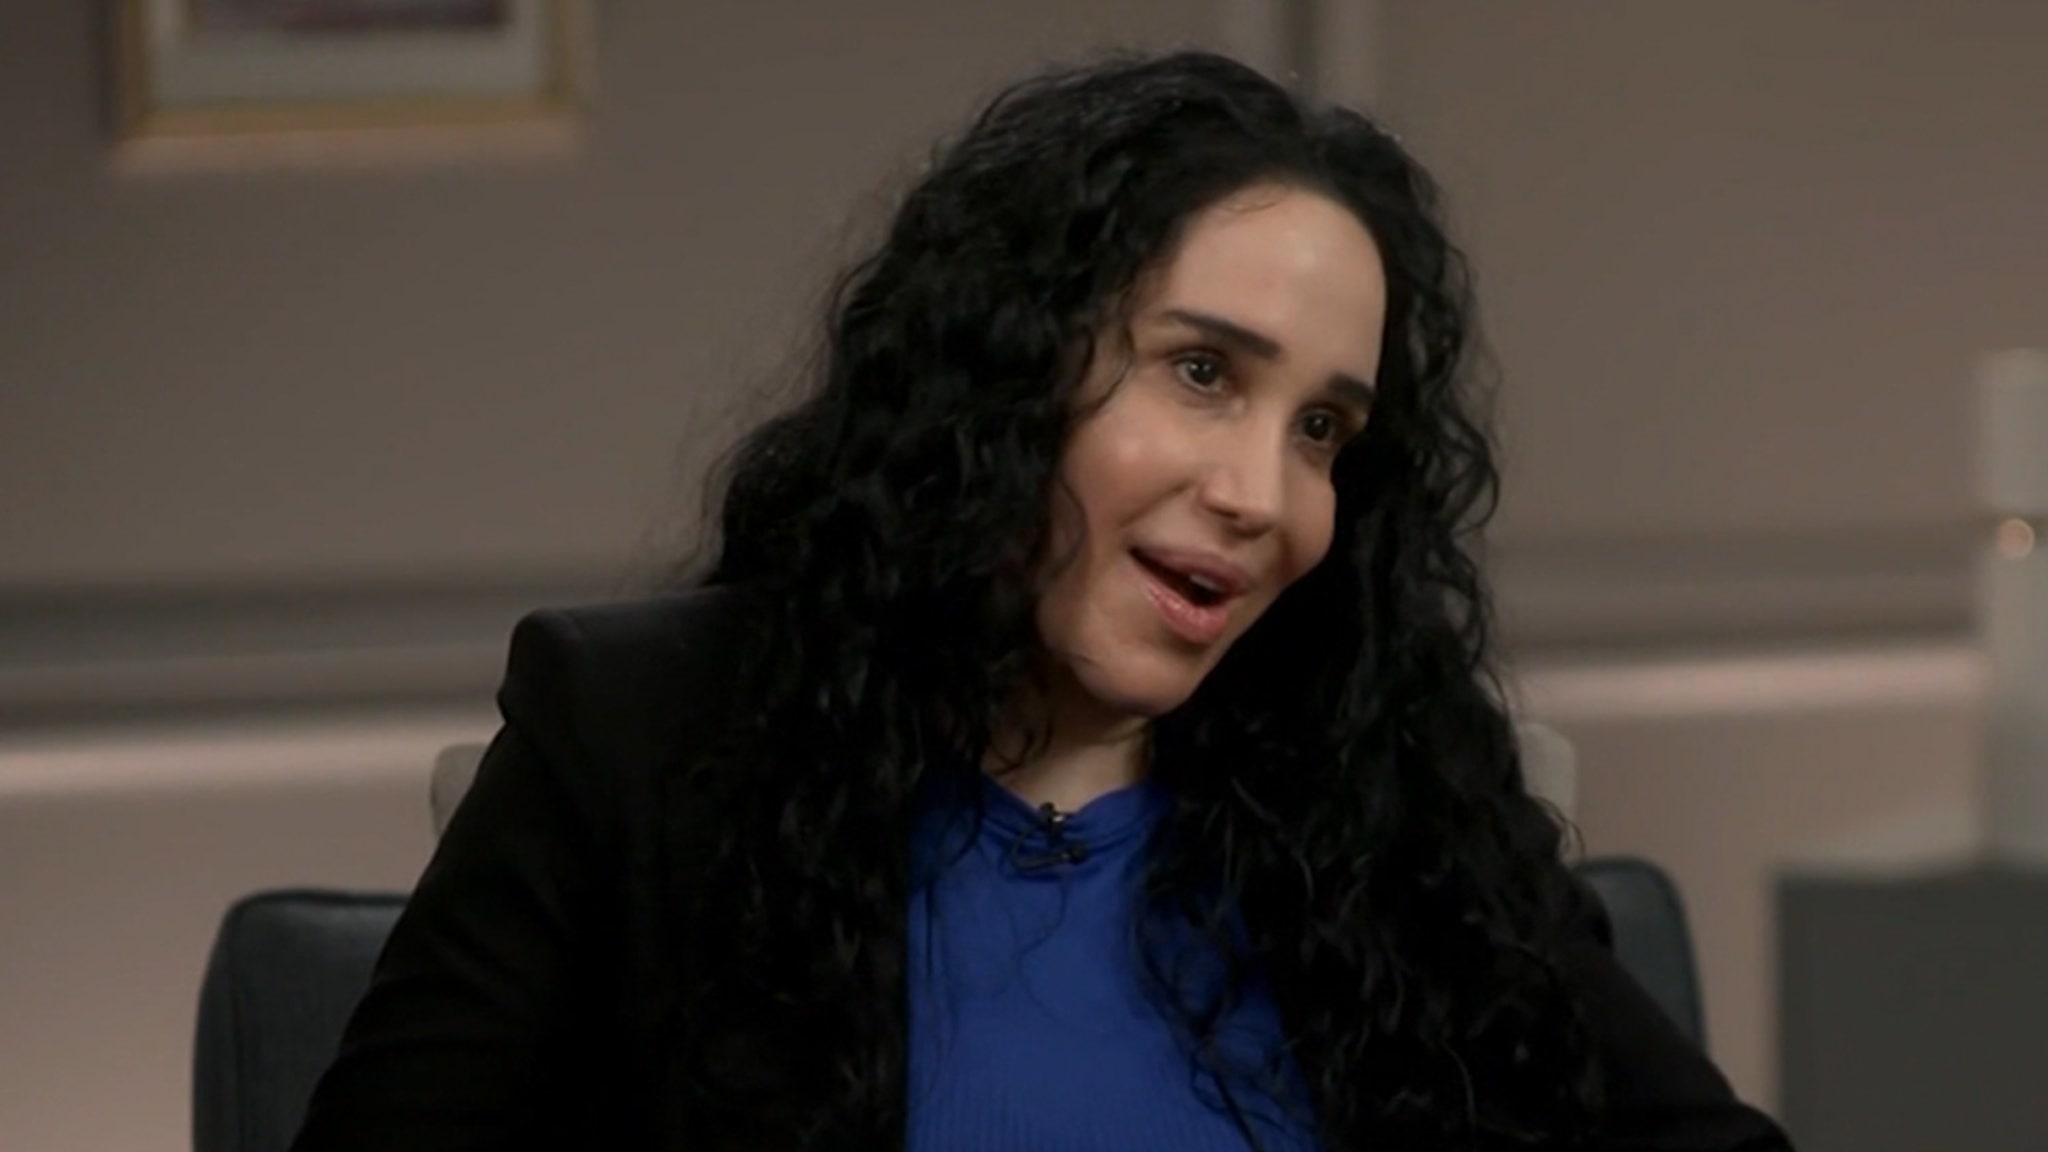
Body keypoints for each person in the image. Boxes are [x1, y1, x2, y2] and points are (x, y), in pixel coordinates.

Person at [291, 50, 1795, 1152]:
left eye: (1324, 430)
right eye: (1201, 372)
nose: (1263, 495)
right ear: (1006, 373)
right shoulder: (640, 737)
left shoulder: (1400, 788)